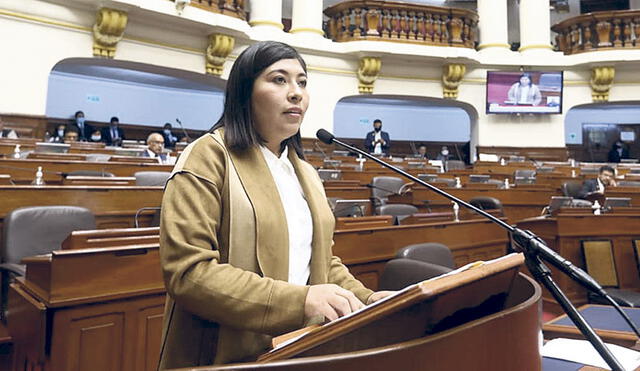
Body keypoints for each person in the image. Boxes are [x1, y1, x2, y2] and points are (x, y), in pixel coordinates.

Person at [157, 41, 392, 369]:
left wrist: (366, 299)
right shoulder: (208, 157)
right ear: (245, 91)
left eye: (302, 82)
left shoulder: (305, 172)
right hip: (223, 353)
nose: (296, 92)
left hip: (297, 348)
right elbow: (189, 272)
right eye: (279, 80)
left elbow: (321, 261)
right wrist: (302, 301)